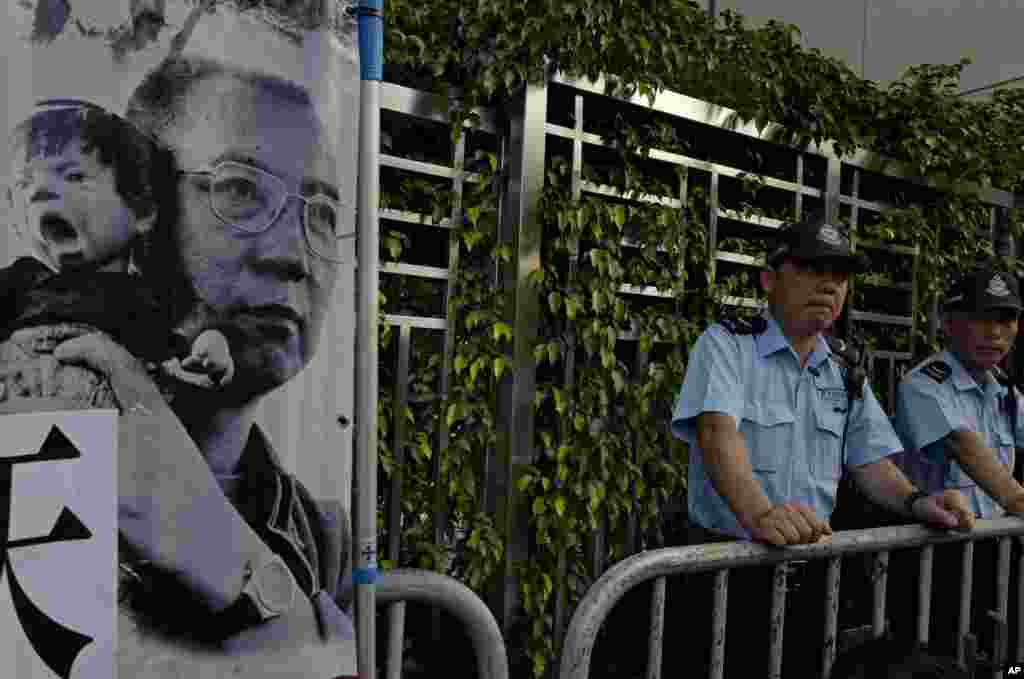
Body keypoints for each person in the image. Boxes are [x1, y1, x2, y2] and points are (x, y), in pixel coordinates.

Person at [50, 53, 354, 676]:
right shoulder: (46, 476)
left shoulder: (321, 533)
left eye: (322, 214)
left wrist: (216, 545)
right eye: (242, 190)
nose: (297, 255)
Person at [665, 211, 974, 677]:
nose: (829, 286)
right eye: (812, 270)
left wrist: (918, 503)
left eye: (840, 276)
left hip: (812, 576)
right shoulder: (727, 346)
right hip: (725, 571)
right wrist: (761, 515)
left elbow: (870, 461)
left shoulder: (844, 369)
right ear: (769, 280)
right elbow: (716, 435)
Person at [0, 98, 235, 411]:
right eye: (25, 183)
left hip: (113, 427)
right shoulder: (20, 281)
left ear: (140, 210)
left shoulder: (154, 295)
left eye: (73, 177)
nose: (40, 192)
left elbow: (198, 340)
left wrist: (212, 347)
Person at [891, 267, 1024, 662]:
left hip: (994, 551)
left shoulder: (1005, 392)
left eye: (1006, 320)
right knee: (940, 664)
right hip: (936, 557)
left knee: (1006, 661)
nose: (995, 332)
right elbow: (961, 444)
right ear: (949, 323)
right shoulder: (923, 384)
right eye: (981, 318)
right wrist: (1018, 498)